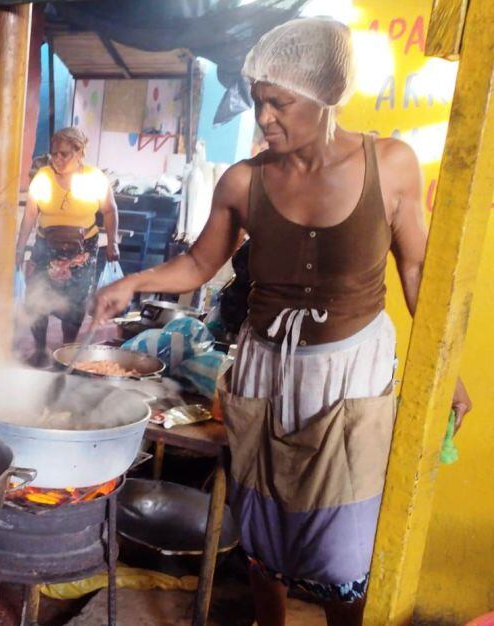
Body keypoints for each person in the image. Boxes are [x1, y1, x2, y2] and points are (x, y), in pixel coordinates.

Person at [92, 18, 471, 626]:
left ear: (325, 96)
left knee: (343, 554)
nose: (264, 117)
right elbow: (199, 262)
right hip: (266, 370)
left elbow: (418, 268)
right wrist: (132, 281)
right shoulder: (245, 179)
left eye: (280, 102)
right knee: (264, 530)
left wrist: (444, 368)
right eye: (259, 101)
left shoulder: (392, 165)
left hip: (350, 374)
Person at [16, 127, 118, 365]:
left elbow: (110, 210)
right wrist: (20, 248)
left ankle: (66, 352)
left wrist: (112, 243)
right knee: (36, 297)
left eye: (64, 154)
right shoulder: (43, 177)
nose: (58, 160)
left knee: (75, 302)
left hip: (82, 251)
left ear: (79, 152)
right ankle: (40, 351)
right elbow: (30, 215)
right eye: (54, 154)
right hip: (46, 247)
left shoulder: (94, 178)